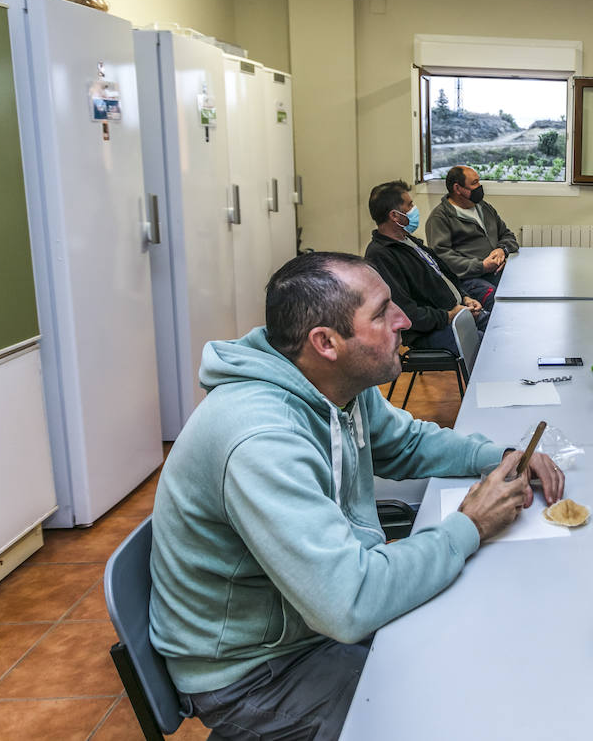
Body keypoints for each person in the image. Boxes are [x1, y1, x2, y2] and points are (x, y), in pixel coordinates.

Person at [149, 252, 563, 740]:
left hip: (311, 622)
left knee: (477, 648)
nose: (404, 320)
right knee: (450, 712)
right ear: (326, 342)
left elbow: (408, 444)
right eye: (382, 311)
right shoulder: (260, 438)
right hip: (257, 673)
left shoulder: (335, 384)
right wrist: (470, 525)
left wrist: (502, 456)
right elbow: (349, 603)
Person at [364, 180, 487, 355]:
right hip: (429, 331)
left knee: (502, 328)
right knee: (489, 347)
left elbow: (445, 277)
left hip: (456, 313)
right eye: (410, 205)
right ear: (395, 216)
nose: (415, 209)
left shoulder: (409, 241)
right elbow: (406, 312)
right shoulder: (381, 255)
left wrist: (466, 298)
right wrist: (449, 315)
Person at [425, 165, 518, 307]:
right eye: (474, 183)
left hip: (495, 271)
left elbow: (507, 235)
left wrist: (502, 250)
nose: (479, 187)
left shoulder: (483, 207)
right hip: (468, 279)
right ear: (457, 188)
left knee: (524, 288)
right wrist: (482, 266)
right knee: (499, 301)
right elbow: (442, 259)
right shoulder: (440, 217)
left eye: (479, 182)